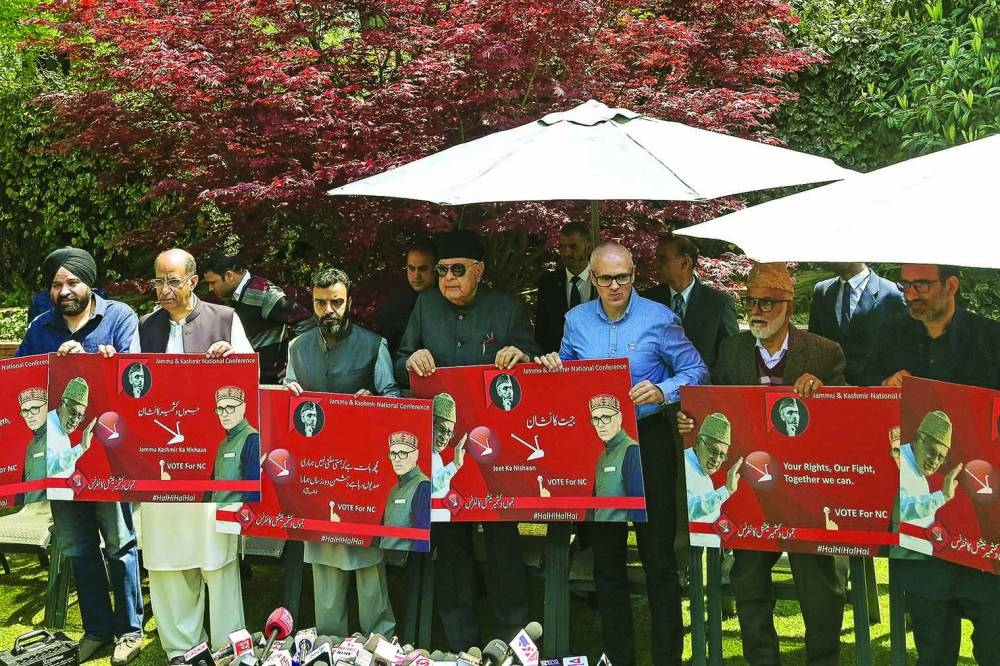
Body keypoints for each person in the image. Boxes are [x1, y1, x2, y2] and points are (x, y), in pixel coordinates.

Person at [536, 242, 709, 666]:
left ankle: (668, 657)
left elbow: (697, 369)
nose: (615, 286)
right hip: (598, 446)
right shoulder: (575, 321)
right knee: (607, 560)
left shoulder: (659, 318)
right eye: (605, 278)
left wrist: (663, 390)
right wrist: (555, 366)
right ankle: (619, 656)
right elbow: (569, 373)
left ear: (634, 274)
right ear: (591, 278)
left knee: (658, 559)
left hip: (648, 441)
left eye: (623, 277)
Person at [678, 262, 847, 666]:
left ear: (788, 306)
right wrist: (691, 421)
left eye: (767, 304)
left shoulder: (824, 352)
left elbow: (846, 423)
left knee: (820, 581)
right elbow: (716, 408)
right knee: (748, 575)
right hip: (751, 491)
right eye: (751, 302)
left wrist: (823, 396)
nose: (756, 311)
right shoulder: (732, 349)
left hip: (805, 491)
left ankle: (823, 660)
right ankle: (761, 659)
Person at [395, 229, 540, 650]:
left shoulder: (507, 309)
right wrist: (413, 358)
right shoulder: (425, 306)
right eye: (442, 270)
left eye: (458, 270)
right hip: (444, 454)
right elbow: (403, 356)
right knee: (451, 546)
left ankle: (513, 640)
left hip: (496, 454)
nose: (447, 278)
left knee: (503, 546)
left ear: (480, 271)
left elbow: (533, 363)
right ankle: (462, 645)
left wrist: (521, 358)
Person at [865, 263, 1000, 664]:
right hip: (920, 514)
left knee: (993, 641)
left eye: (921, 285)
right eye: (906, 285)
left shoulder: (990, 337)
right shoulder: (890, 335)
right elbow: (865, 397)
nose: (910, 295)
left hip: (983, 517)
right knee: (932, 642)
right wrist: (884, 386)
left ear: (952, 285)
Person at [16, 247, 143, 665]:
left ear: (90, 282)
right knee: (76, 546)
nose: (64, 290)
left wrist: (108, 362)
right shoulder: (40, 327)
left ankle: (129, 630)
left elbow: (137, 379)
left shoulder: (120, 317)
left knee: (120, 543)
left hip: (107, 456)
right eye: (56, 284)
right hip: (60, 460)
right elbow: (20, 382)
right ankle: (97, 629)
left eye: (72, 282)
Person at [130, 248, 251, 663]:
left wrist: (230, 360)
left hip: (211, 463)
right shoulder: (144, 327)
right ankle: (182, 647)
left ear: (194, 281)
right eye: (158, 281)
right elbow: (131, 386)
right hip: (160, 463)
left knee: (215, 552)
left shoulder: (224, 320)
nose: (163, 290)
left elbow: (248, 379)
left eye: (172, 281)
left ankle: (227, 644)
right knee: (166, 555)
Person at [284, 266, 398, 638]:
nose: (328, 310)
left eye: (335, 302)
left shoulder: (373, 344)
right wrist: (288, 397)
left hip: (362, 471)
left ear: (350, 301)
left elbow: (394, 399)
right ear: (312, 302)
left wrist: (376, 402)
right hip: (315, 469)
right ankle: (329, 644)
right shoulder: (296, 348)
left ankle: (380, 642)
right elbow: (285, 402)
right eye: (320, 303)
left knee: (367, 560)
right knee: (323, 557)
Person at [203, 254, 313, 384]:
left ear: (230, 276)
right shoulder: (235, 297)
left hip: (270, 382)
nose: (211, 288)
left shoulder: (263, 293)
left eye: (213, 282)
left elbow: (306, 322)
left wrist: (296, 366)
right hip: (249, 377)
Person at [642, 232, 739, 368]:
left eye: (663, 259)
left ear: (685, 263)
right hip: (656, 386)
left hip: (702, 386)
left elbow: (731, 355)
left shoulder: (719, 304)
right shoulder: (647, 300)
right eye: (656, 257)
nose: (656, 263)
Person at [808, 262, 905, 386]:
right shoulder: (821, 291)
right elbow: (814, 344)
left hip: (873, 394)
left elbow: (902, 350)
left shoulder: (893, 295)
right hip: (829, 392)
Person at [897, 411, 962, 556]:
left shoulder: (918, 469)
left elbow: (922, 520)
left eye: (941, 457)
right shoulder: (898, 460)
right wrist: (942, 497)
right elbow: (898, 510)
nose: (935, 461)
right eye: (932, 452)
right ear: (917, 439)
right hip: (904, 559)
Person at [534, 221, 594, 354]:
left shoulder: (604, 279)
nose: (566, 253)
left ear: (588, 248)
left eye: (573, 247)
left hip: (599, 362)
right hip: (557, 364)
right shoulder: (547, 284)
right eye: (562, 247)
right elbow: (541, 332)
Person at [685, 413, 743, 548]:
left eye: (722, 455)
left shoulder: (704, 473)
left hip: (710, 555)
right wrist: (726, 491)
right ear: (698, 441)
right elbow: (686, 511)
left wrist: (731, 539)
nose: (717, 459)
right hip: (693, 555)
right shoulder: (684, 465)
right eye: (713, 450)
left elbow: (710, 517)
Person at [587, 394, 645, 523]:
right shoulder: (602, 457)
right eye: (595, 419)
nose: (600, 425)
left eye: (605, 418)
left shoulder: (632, 451)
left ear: (619, 418)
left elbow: (638, 507)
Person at [377, 242, 438, 356]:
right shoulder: (392, 310)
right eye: (411, 268)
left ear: (435, 270)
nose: (416, 275)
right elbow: (385, 357)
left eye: (422, 269)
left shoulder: (451, 300)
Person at [378, 431, 432, 551]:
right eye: (393, 454)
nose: (397, 459)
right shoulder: (393, 490)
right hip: (385, 559)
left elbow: (421, 540)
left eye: (403, 453)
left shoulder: (423, 487)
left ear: (416, 455)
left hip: (406, 562)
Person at [207, 386, 260, 504]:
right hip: (215, 518)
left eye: (230, 408)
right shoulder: (222, 445)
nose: (224, 414)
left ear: (243, 408)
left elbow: (253, 494)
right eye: (220, 409)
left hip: (233, 519)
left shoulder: (252, 439)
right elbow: (211, 489)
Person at [47, 377, 94, 483]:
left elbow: (64, 474)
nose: (75, 420)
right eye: (72, 412)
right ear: (60, 405)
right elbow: (47, 468)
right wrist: (81, 448)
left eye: (80, 416)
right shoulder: (46, 426)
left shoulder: (63, 431)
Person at [430, 393, 466, 523]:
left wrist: (463, 506)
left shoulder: (437, 457)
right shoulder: (420, 455)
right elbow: (429, 487)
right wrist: (455, 465)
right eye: (441, 429)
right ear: (430, 424)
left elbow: (443, 490)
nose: (445, 437)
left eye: (449, 433)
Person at [18, 387, 48, 504]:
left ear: (47, 407)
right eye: (25, 411)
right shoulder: (31, 445)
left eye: (35, 408)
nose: (29, 415)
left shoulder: (57, 437)